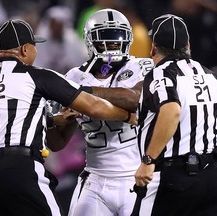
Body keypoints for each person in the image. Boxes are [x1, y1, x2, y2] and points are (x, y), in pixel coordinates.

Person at [0, 19, 136, 216]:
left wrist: (53, 120)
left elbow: (11, 121)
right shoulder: (36, 76)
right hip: (21, 168)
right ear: (24, 49)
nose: (37, 52)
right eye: (34, 46)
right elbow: (93, 106)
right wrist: (126, 116)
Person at [131, 14, 217, 216]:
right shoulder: (208, 73)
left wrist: (148, 160)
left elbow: (171, 110)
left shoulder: (160, 73)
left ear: (153, 47)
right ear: (188, 45)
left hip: (175, 176)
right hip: (213, 175)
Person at [63, 9, 154, 216]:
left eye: (117, 38)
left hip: (136, 175)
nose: (113, 45)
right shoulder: (75, 76)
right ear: (89, 41)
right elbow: (57, 142)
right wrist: (59, 121)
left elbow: (134, 100)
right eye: (105, 39)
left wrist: (82, 94)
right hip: (94, 179)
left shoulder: (141, 65)